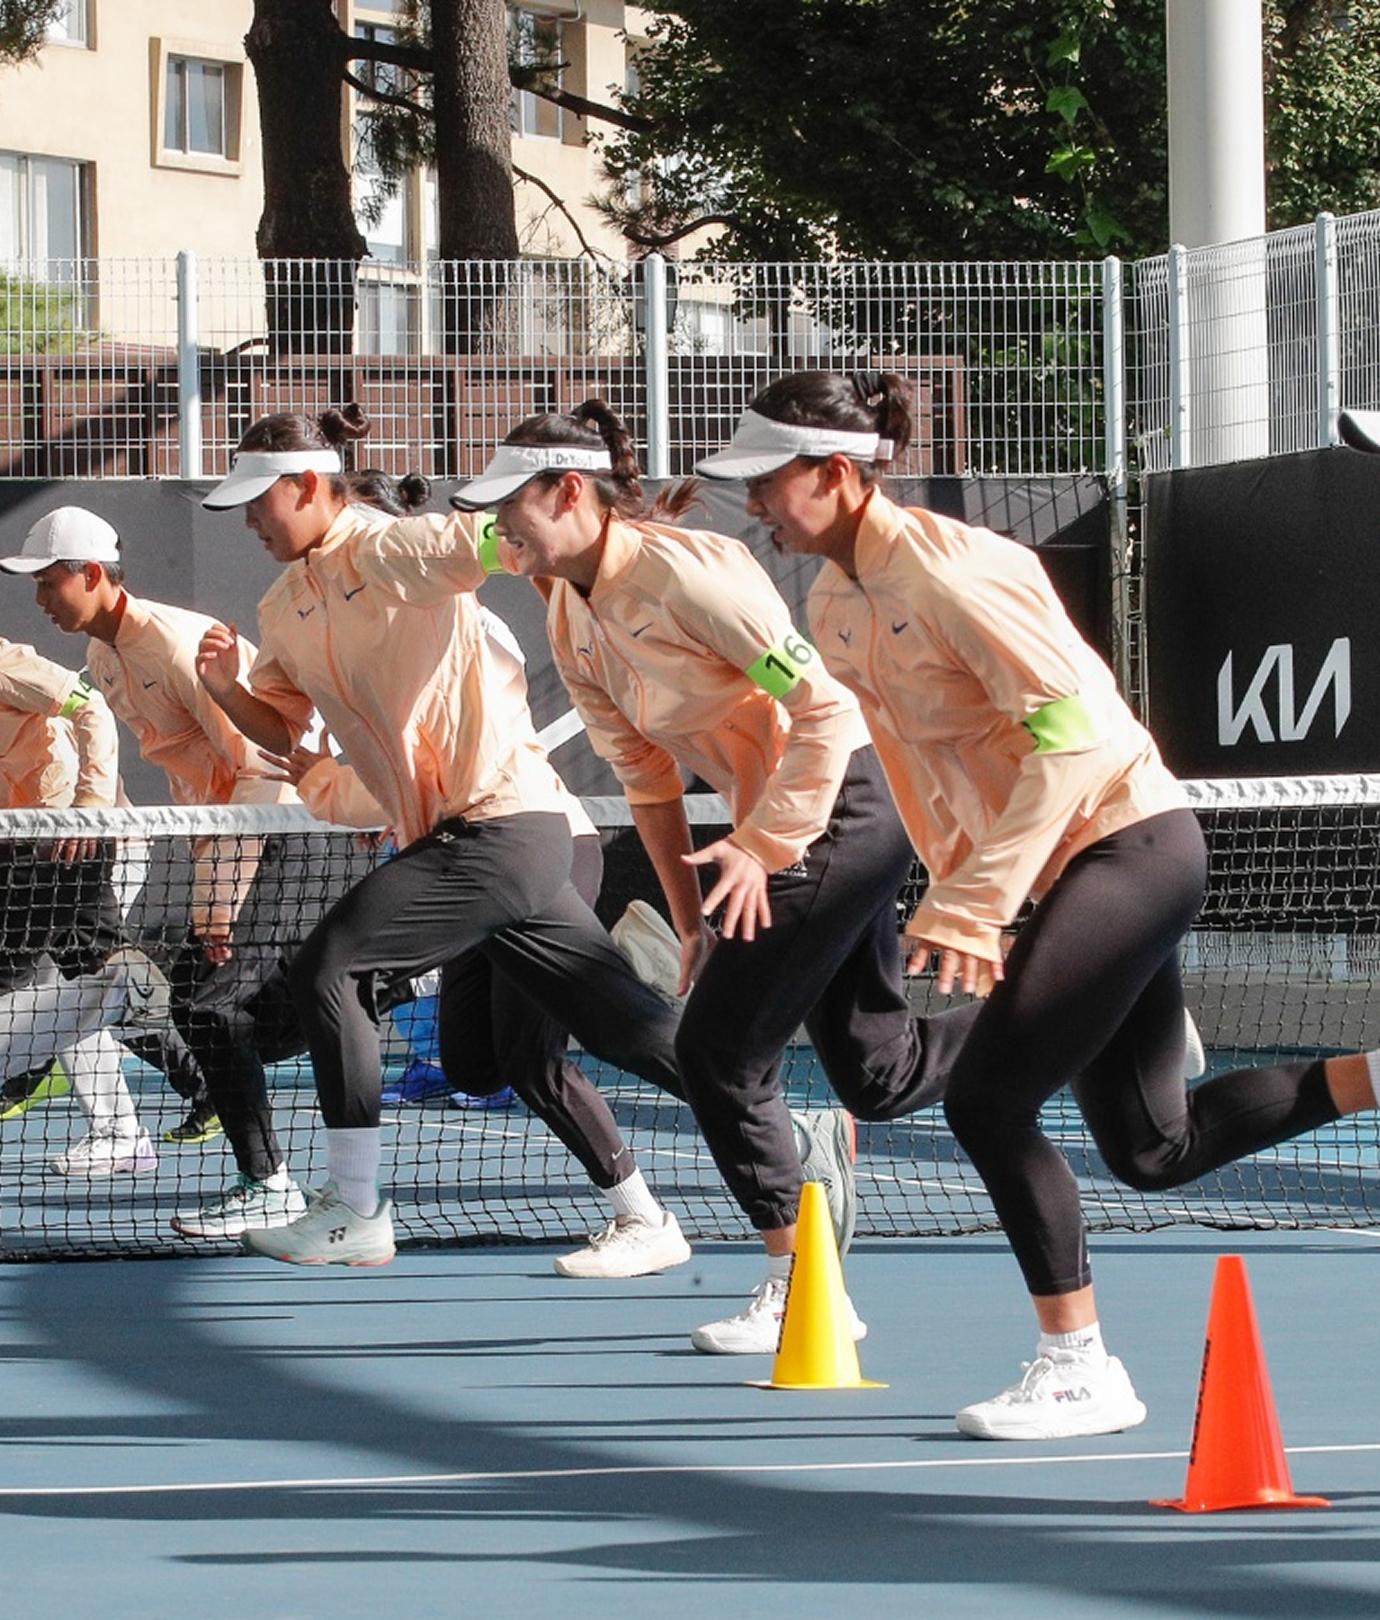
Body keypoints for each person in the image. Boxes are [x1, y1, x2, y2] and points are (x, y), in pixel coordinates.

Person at [695, 368, 1380, 1438]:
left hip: (1130, 844)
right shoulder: (832, 600)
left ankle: (1079, 1368)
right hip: (1060, 873)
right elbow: (898, 762)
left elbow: (1073, 742)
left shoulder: (961, 573)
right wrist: (919, 876)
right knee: (1154, 1151)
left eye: (768, 479)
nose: (754, 503)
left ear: (835, 473)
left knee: (986, 1103)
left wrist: (979, 901)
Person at [451, 400, 982, 1355]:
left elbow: (823, 710)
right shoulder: (570, 615)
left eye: (510, 506)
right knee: (880, 1074)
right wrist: (690, 918)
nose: (498, 528)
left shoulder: (688, 576)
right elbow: (648, 782)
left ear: (568, 494)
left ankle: (802, 1289)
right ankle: (1083, 999)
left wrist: (767, 843)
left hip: (841, 803)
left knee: (718, 1055)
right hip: (777, 826)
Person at [194, 405, 698, 1275]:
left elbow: (492, 542)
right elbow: (283, 724)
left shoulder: (393, 550)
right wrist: (227, 691)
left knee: (332, 968)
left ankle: (355, 1210)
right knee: (555, 1045)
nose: (248, 521)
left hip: (503, 826)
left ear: (308, 486)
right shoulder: (285, 605)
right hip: (470, 842)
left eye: (258, 502)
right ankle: (760, 1133)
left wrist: (600, 543)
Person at [0, 505, 314, 1235]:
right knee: (210, 1008)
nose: (39, 598)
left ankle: (397, 980)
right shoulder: (104, 656)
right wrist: (203, 853)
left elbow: (257, 765)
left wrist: (218, 892)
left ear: (92, 575)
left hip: (281, 829)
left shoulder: (174, 644)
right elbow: (192, 768)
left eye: (49, 582)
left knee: (223, 1006)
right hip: (222, 835)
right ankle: (262, 1175)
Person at [0, 631, 164, 1174]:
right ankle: (130, 1126)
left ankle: (129, 1125)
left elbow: (90, 705)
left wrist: (89, 809)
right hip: (33, 859)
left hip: (90, 848)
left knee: (79, 984)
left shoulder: (8, 666)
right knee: (65, 990)